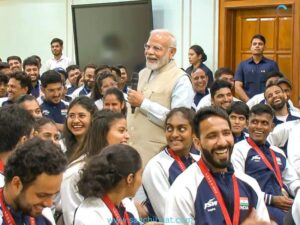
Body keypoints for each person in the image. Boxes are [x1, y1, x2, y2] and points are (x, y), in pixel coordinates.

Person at [165, 106, 270, 224]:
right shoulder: (183, 189)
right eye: (212, 136)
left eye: (226, 133)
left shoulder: (249, 184)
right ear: (197, 143)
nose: (222, 142)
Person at [127, 29, 194, 165]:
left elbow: (180, 123)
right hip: (130, 152)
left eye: (156, 48)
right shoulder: (142, 73)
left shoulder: (180, 79)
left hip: (158, 158)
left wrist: (143, 103)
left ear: (172, 52)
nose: (149, 52)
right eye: (147, 46)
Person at [231, 104, 300, 225]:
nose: (259, 127)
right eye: (254, 122)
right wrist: (271, 200)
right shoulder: (238, 150)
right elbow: (239, 187)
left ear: (272, 127)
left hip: (285, 204)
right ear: (247, 124)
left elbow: (292, 180)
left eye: (264, 123)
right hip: (258, 205)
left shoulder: (278, 152)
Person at [61, 110, 130, 225]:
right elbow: (72, 218)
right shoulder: (75, 173)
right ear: (103, 134)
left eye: (126, 131)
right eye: (121, 131)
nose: (127, 136)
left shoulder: (117, 165)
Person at [142, 107, 200, 220]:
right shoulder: (156, 167)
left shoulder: (199, 160)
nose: (174, 134)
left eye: (181, 129)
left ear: (194, 132)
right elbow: (169, 216)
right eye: (169, 128)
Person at [1, 137, 67, 224]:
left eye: (53, 195)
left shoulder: (44, 216)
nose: (49, 204)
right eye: (42, 195)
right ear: (16, 184)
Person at [73, 144, 142, 225]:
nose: (142, 180)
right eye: (140, 174)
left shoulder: (121, 203)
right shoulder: (91, 215)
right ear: (130, 179)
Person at [234, 34, 279, 102]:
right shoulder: (242, 65)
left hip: (266, 102)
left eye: (260, 44)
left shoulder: (272, 64)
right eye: (254, 44)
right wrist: (249, 102)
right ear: (251, 47)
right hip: (247, 103)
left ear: (264, 47)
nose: (257, 46)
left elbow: (276, 85)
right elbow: (237, 87)